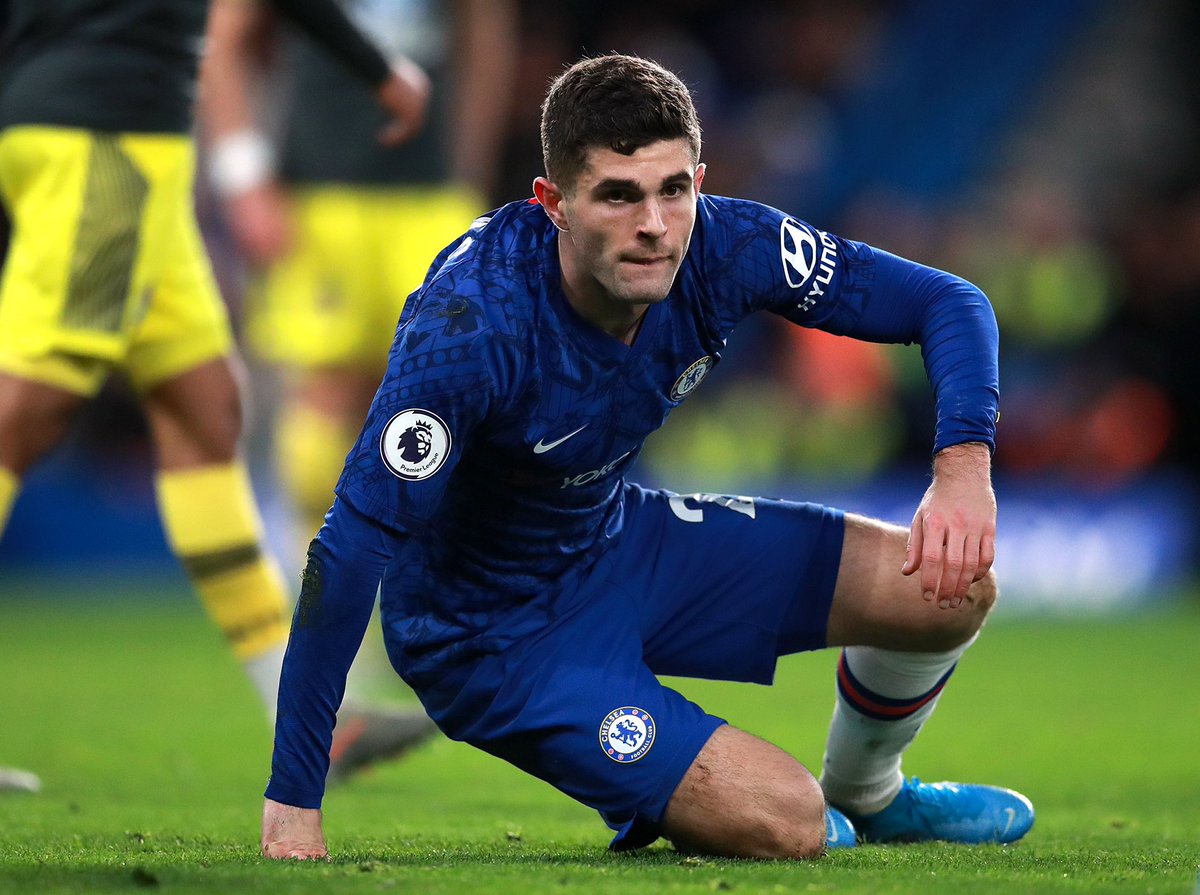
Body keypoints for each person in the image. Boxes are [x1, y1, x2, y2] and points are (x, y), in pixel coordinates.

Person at [259, 53, 1035, 861]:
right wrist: (293, 801)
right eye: (619, 195)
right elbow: (349, 549)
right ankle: (657, 781)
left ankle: (872, 793)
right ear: (554, 203)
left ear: (698, 181)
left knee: (952, 589)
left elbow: (949, 301)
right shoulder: (471, 327)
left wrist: (961, 469)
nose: (655, 226)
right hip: (491, 635)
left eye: (673, 190)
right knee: (789, 822)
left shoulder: (728, 245)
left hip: (616, 540)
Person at [0, 0, 434, 791]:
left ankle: (309, 718)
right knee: (23, 414)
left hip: (113, 133)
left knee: (204, 410)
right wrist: (374, 66)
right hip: (107, 133)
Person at [199, 0, 515, 564]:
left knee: (443, 393)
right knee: (328, 389)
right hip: (320, 193)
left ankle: (430, 583)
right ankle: (315, 576)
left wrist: (469, 176)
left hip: (431, 198)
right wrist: (242, 175)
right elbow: (225, 37)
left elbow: (486, 38)